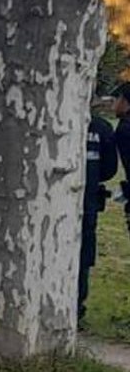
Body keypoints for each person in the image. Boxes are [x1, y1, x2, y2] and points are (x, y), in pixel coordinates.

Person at [80, 98, 117, 325]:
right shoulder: (100, 127)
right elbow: (110, 169)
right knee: (83, 253)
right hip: (88, 200)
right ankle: (76, 305)